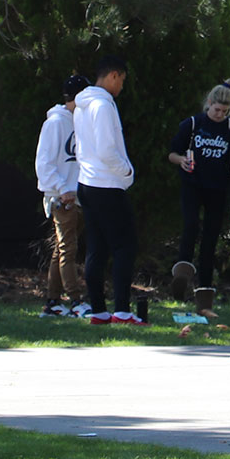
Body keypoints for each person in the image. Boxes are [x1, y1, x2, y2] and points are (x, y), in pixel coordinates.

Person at [74, 55, 147, 325]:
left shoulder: (81, 105)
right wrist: (125, 170)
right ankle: (122, 311)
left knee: (97, 248)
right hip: (107, 183)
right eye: (122, 81)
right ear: (114, 75)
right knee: (125, 245)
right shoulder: (103, 105)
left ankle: (98, 311)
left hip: (87, 183)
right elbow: (106, 148)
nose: (122, 87)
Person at [167, 84, 230, 316]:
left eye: (224, 111)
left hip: (217, 188)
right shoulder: (193, 124)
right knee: (190, 226)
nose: (219, 115)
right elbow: (172, 152)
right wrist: (181, 161)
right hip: (193, 185)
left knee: (210, 239)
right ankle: (182, 274)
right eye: (217, 110)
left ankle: (205, 300)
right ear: (209, 103)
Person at [34, 75, 89, 318]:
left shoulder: (82, 121)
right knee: (68, 249)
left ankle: (53, 302)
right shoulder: (55, 123)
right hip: (62, 197)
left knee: (61, 249)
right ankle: (76, 300)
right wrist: (61, 188)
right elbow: (43, 163)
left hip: (77, 195)